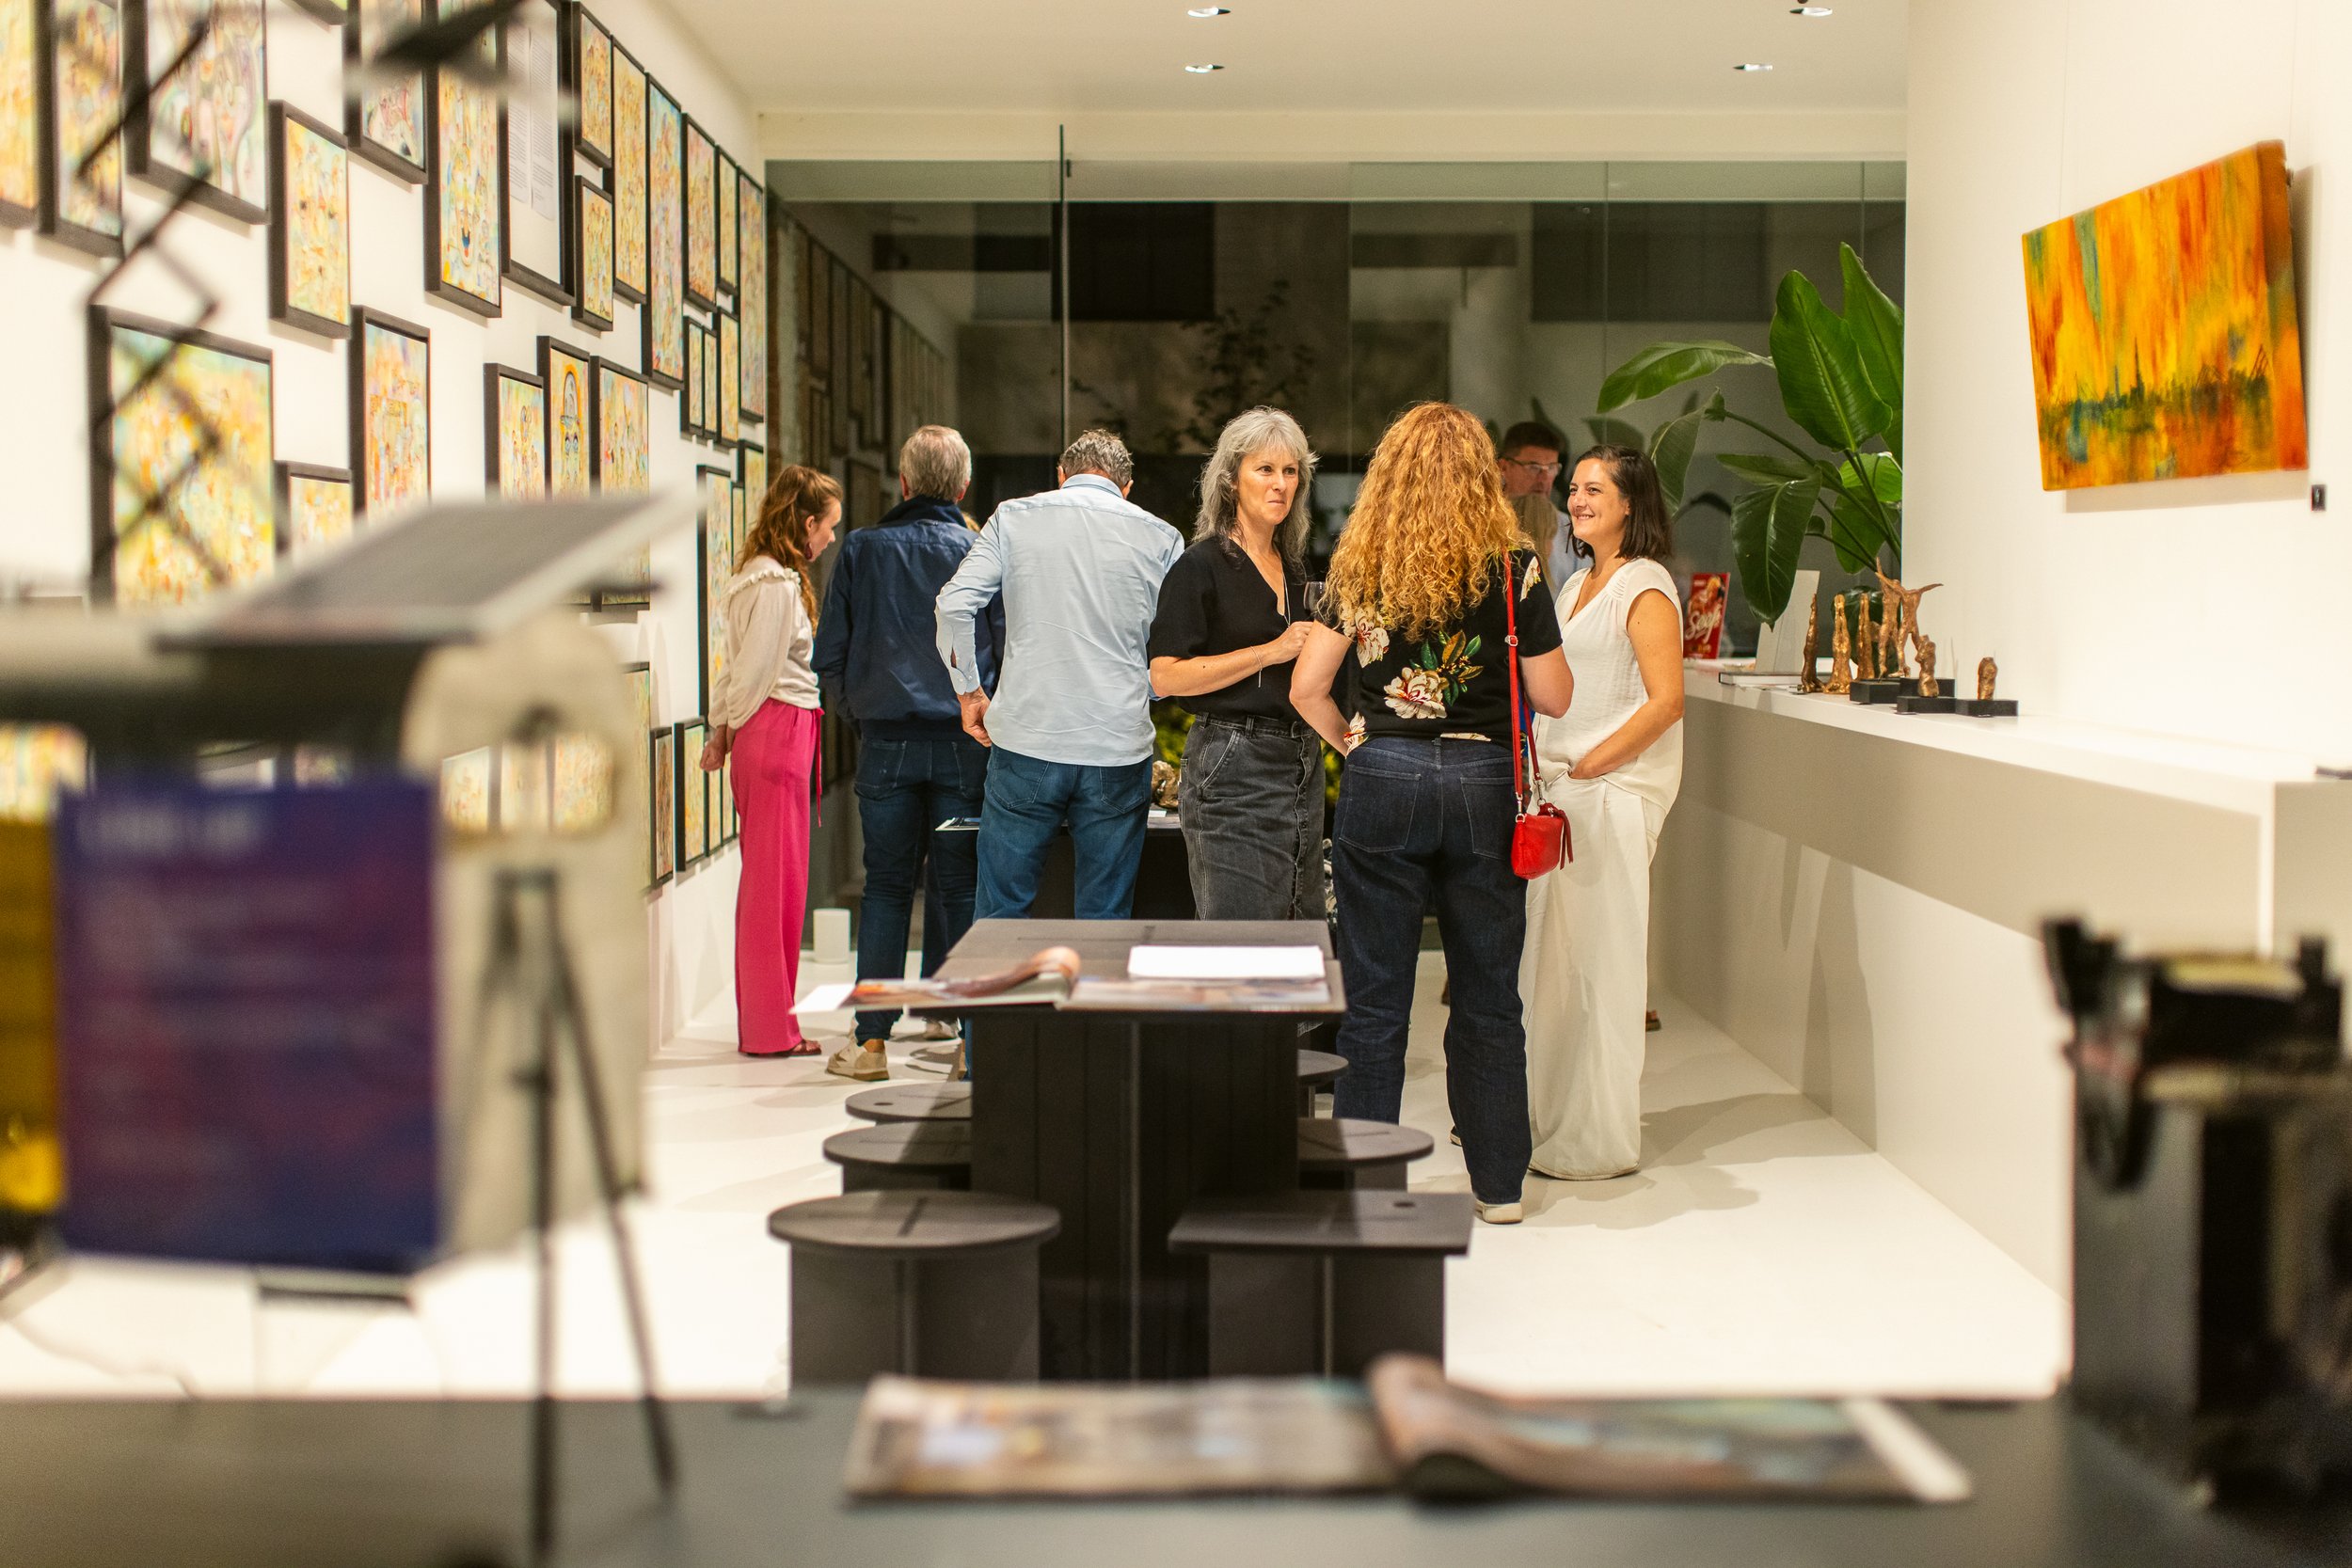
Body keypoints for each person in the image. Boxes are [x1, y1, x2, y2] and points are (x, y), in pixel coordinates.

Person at [1290, 403, 1571, 1225]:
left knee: (1375, 1000)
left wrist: (1358, 742)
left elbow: (1308, 688)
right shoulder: (1514, 567)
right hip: (1485, 780)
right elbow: (1552, 693)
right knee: (1489, 995)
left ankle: (1369, 1185)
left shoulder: (1364, 565)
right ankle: (1499, 1187)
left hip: (1383, 778)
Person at [812, 425, 1002, 1084]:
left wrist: (862, 713)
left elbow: (828, 653)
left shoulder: (862, 550)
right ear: (962, 486)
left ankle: (870, 1045)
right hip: (962, 748)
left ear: (903, 482)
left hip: (887, 746)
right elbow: (1002, 651)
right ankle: (966, 1045)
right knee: (962, 889)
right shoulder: (979, 549)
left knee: (887, 890)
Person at [936, 430, 1184, 921]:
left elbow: (953, 606)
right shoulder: (1162, 537)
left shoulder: (1013, 517)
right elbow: (1180, 644)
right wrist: (1145, 691)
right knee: (1104, 923)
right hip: (1117, 746)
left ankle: (1005, 998)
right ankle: (1092, 998)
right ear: (1127, 487)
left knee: (1002, 918)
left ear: (1060, 475)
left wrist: (970, 694)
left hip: (1027, 741)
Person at [1521, 444, 1686, 1180]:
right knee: (1553, 970)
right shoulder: (1578, 583)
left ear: (1630, 504)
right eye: (1576, 489)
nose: (1578, 499)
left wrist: (1594, 761)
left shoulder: (1643, 586)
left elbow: (1666, 701)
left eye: (1595, 489)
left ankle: (1594, 1139)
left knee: (1600, 971)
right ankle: (1544, 1119)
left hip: (1608, 796)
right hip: (1561, 797)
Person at [1147, 407, 1323, 921]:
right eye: (1264, 469)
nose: (1280, 484)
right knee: (1239, 938)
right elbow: (1165, 675)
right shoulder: (1200, 564)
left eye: (1291, 472)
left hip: (1300, 760)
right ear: (1230, 480)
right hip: (1232, 760)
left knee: (1300, 930)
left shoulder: (1294, 568)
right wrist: (1271, 651)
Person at [702, 465, 840, 1059]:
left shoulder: (751, 577)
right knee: (773, 890)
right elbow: (753, 673)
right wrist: (731, 729)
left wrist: (722, 731)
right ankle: (769, 1031)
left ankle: (770, 1024)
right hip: (777, 733)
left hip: (770, 734)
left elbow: (733, 668)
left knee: (774, 885)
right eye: (828, 526)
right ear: (806, 522)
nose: (830, 539)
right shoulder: (777, 585)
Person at [1497, 419, 1580, 588]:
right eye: (1533, 467)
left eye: (1551, 468)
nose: (1544, 479)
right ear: (1503, 467)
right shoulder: (1483, 523)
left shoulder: (1572, 530)